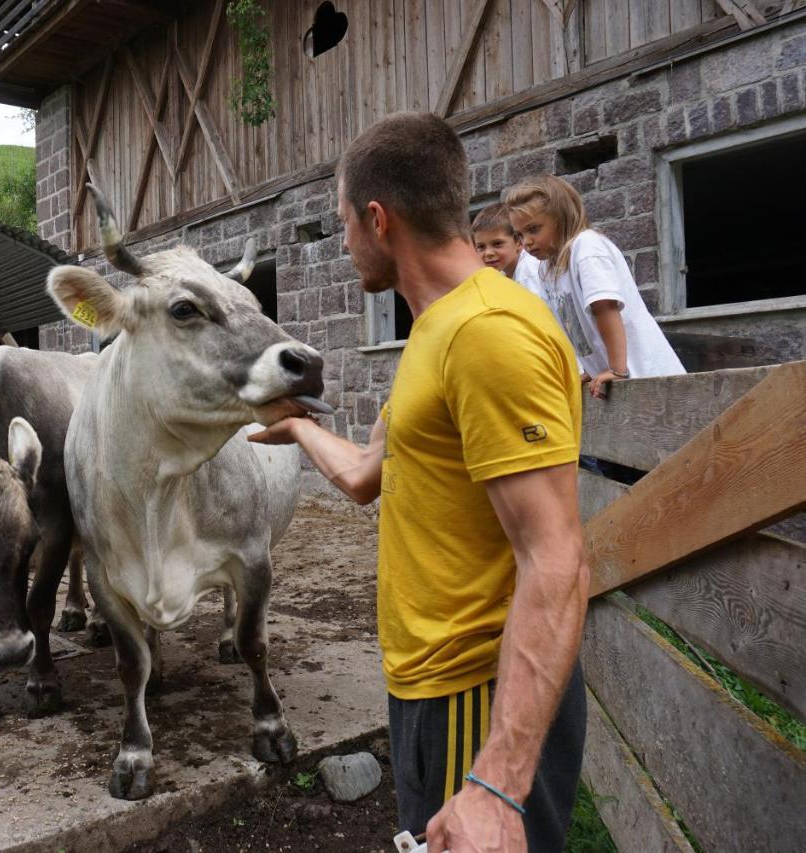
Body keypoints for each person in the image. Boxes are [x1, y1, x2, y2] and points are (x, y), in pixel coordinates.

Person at [249, 112, 589, 852]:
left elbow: (556, 558)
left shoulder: (487, 335)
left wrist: (497, 783)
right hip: (428, 688)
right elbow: (371, 475)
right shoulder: (435, 332)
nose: (342, 245)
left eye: (344, 225)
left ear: (378, 219)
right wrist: (298, 427)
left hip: (479, 688)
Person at [503, 175, 684, 400]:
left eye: (534, 229)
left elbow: (605, 308)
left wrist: (617, 369)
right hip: (624, 384)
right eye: (520, 234)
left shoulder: (587, 248)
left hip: (648, 375)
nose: (526, 241)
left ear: (561, 218)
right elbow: (576, 326)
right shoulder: (548, 268)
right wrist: (591, 368)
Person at [470, 202, 540, 290]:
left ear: (519, 242)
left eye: (497, 244)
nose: (488, 253)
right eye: (481, 247)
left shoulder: (529, 275)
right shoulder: (503, 273)